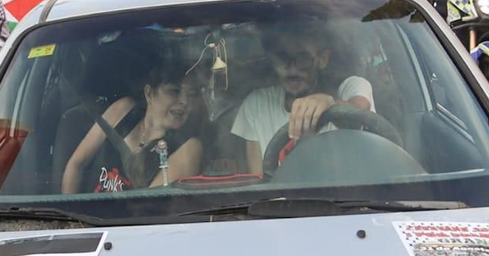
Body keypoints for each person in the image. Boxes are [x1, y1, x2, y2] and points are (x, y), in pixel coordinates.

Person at [230, 30, 377, 175]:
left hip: (349, 198)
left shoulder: (352, 88)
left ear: (323, 59)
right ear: (272, 60)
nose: (293, 69)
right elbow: (259, 181)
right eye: (283, 58)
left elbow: (358, 118)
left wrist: (330, 104)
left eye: (303, 59)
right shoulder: (257, 105)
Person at [61, 71, 205, 193]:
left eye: (191, 94)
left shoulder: (188, 148)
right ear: (149, 93)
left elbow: (147, 208)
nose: (185, 101)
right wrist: (70, 220)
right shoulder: (124, 110)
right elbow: (76, 164)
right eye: (175, 91)